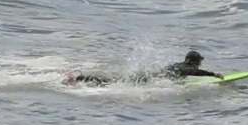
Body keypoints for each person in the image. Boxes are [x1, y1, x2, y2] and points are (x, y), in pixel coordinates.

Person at [62, 50, 222, 86]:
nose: (201, 64)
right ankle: (78, 79)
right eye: (200, 61)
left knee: (113, 81)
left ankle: (79, 78)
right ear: (195, 62)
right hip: (149, 79)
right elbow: (195, 72)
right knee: (111, 83)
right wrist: (214, 74)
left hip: (150, 75)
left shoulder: (178, 65)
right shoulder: (188, 68)